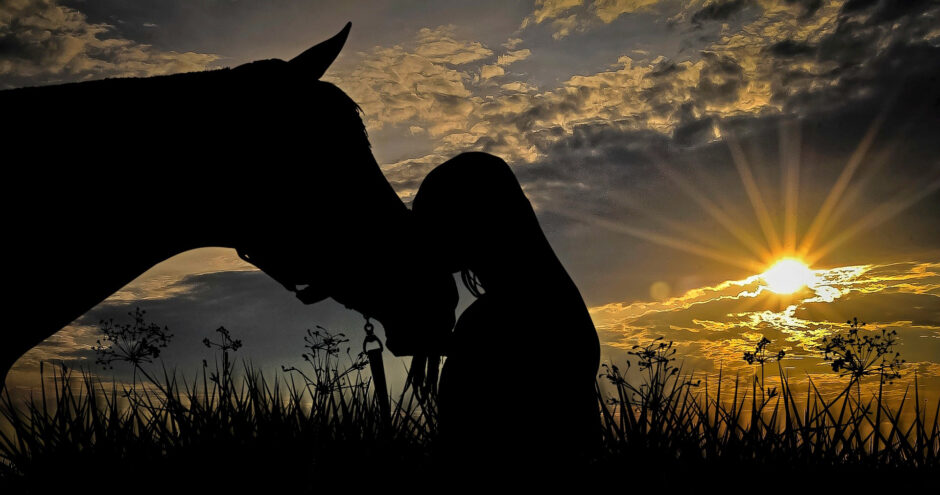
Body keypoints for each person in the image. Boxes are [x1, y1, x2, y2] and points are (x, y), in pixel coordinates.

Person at [412, 152, 601, 470]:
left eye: (434, 220)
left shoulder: (489, 322)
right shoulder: (556, 303)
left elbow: (464, 454)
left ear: (469, 220)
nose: (424, 237)